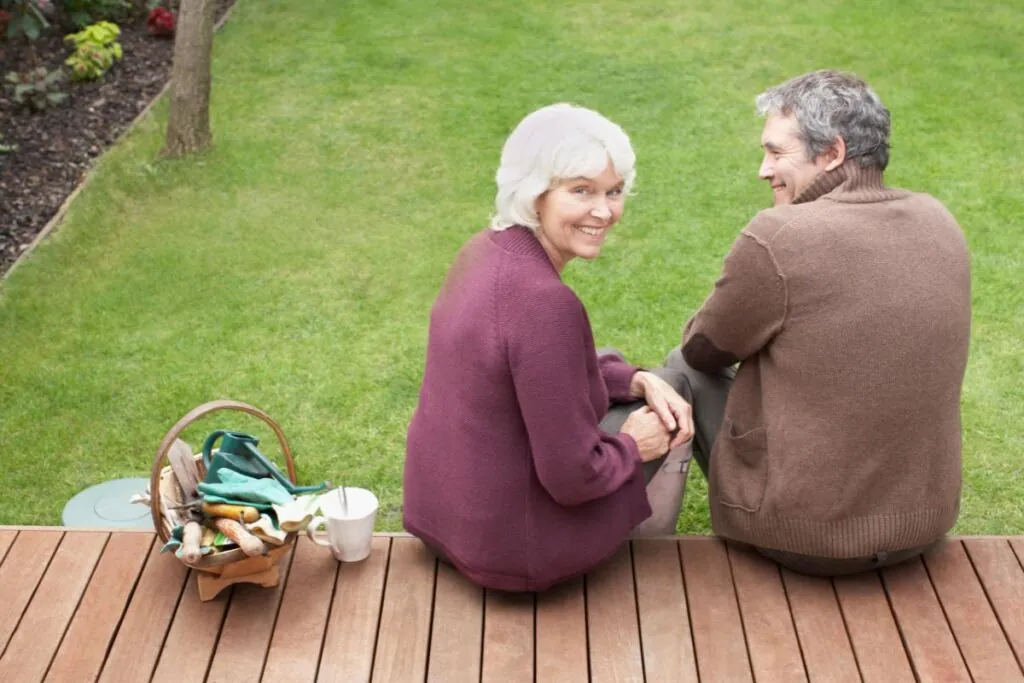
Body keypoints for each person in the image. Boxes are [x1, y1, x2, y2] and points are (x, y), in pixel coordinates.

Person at [667, 70, 971, 575]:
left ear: (831, 154)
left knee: (680, 369)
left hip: (807, 540)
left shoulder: (781, 235)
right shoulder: (940, 218)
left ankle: (638, 528)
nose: (763, 170)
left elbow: (704, 350)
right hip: (923, 527)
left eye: (776, 153)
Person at [404, 104, 695, 592]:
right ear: (535, 193)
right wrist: (633, 446)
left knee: (634, 373)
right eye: (581, 191)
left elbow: (532, 368)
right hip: (515, 553)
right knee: (675, 396)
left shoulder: (483, 250)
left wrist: (638, 378)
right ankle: (650, 547)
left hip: (443, 520)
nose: (604, 211)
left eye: (614, 191)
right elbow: (574, 477)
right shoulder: (546, 304)